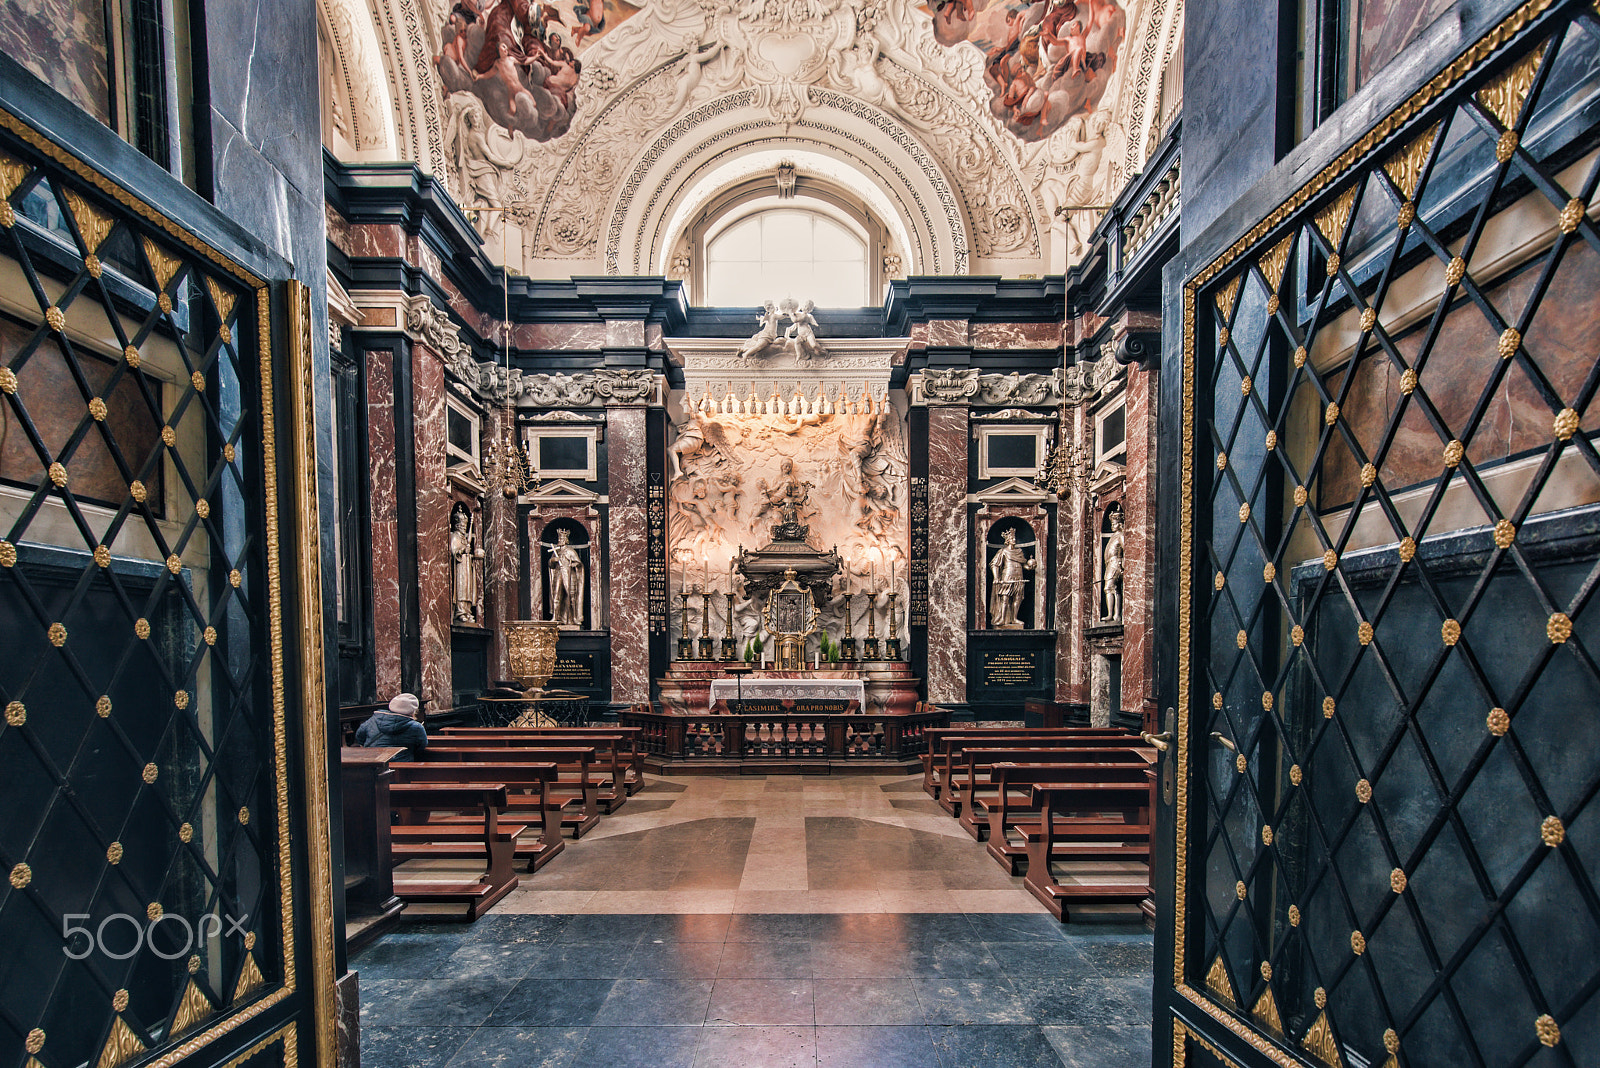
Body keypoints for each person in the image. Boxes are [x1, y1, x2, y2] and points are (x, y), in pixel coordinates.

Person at [355, 694, 429, 761]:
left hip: (374, 761)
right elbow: (422, 745)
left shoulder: (373, 720)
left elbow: (359, 736)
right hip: (401, 764)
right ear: (413, 711)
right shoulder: (416, 727)